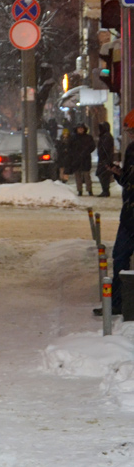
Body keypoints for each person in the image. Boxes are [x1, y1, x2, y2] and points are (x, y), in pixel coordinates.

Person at [100, 110, 134, 316]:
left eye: (131, 131)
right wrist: (119, 174)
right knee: (120, 256)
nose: (129, 135)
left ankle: (119, 303)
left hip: (130, 213)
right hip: (129, 212)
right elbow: (129, 181)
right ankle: (117, 302)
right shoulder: (131, 150)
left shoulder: (131, 150)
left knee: (120, 256)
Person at [66, 123, 95, 196]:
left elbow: (92, 146)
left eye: (82, 128)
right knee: (77, 175)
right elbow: (69, 147)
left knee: (87, 175)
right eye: (79, 128)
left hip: (86, 159)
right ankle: (79, 190)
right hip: (76, 159)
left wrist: (86, 152)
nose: (80, 130)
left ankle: (89, 190)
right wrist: (73, 154)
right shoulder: (73, 138)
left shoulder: (88, 137)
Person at [97, 121, 116, 198]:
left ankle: (105, 190)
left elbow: (105, 148)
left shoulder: (106, 137)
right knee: (103, 174)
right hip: (104, 158)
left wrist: (105, 158)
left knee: (103, 175)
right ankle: (105, 190)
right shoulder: (104, 136)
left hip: (105, 159)